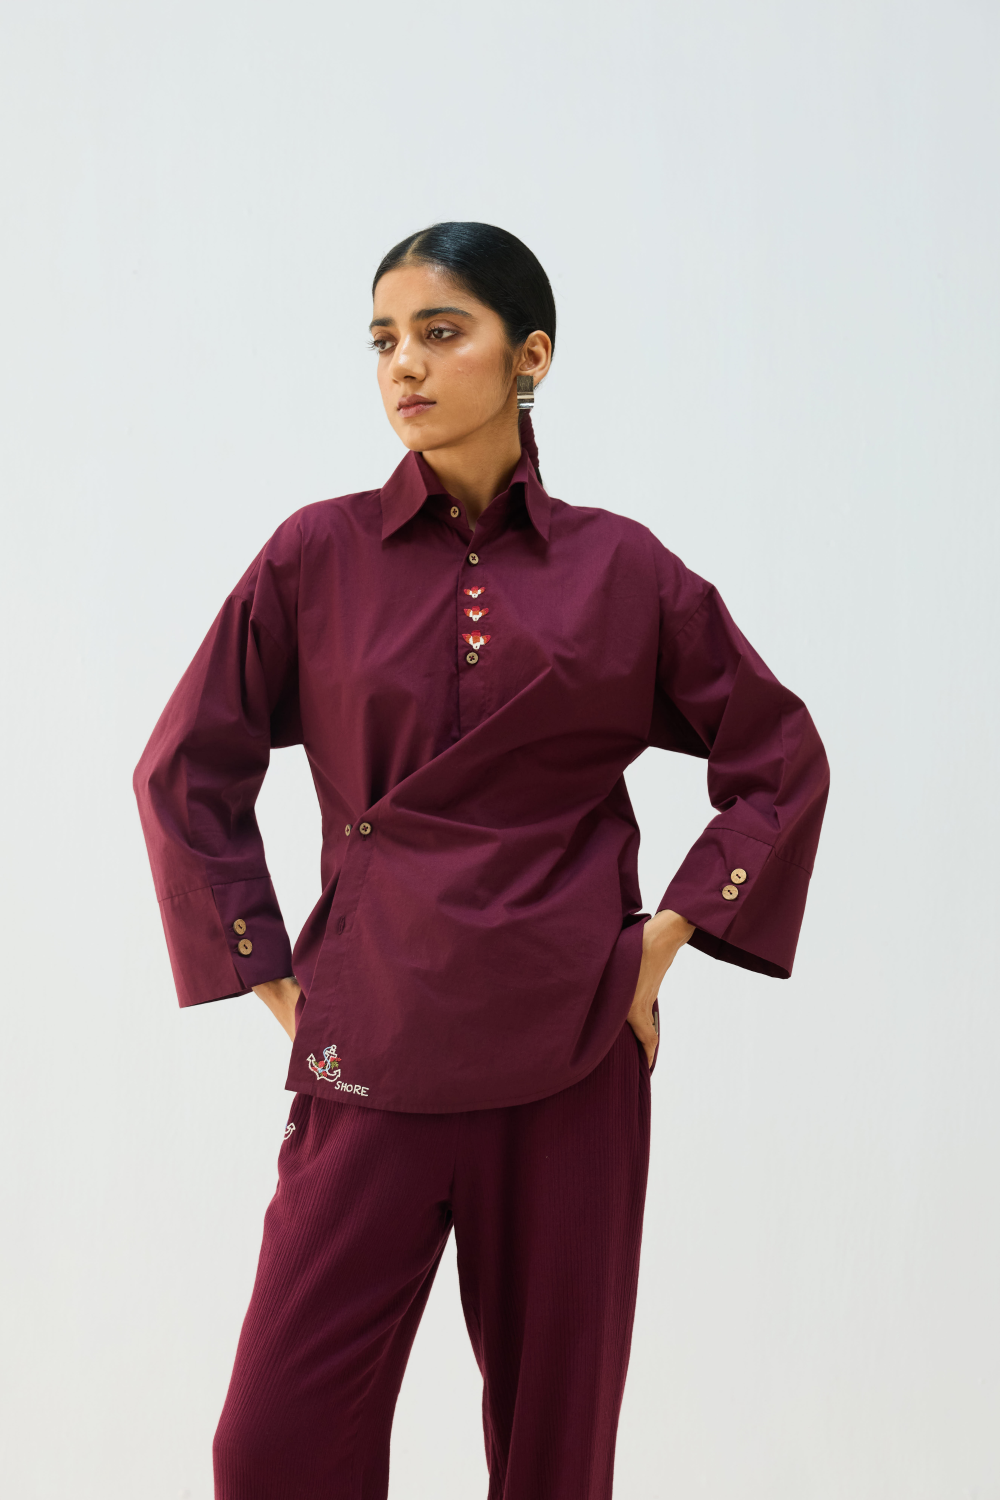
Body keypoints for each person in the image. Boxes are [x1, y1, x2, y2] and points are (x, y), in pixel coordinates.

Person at [133, 221, 829, 1500]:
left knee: (555, 1456)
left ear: (531, 357)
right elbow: (182, 772)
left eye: (440, 332)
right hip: (373, 1047)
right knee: (273, 1448)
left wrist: (657, 950)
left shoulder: (621, 567)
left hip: (570, 1052)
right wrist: (277, 979)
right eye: (382, 339)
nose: (402, 364)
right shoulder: (314, 554)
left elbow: (778, 760)